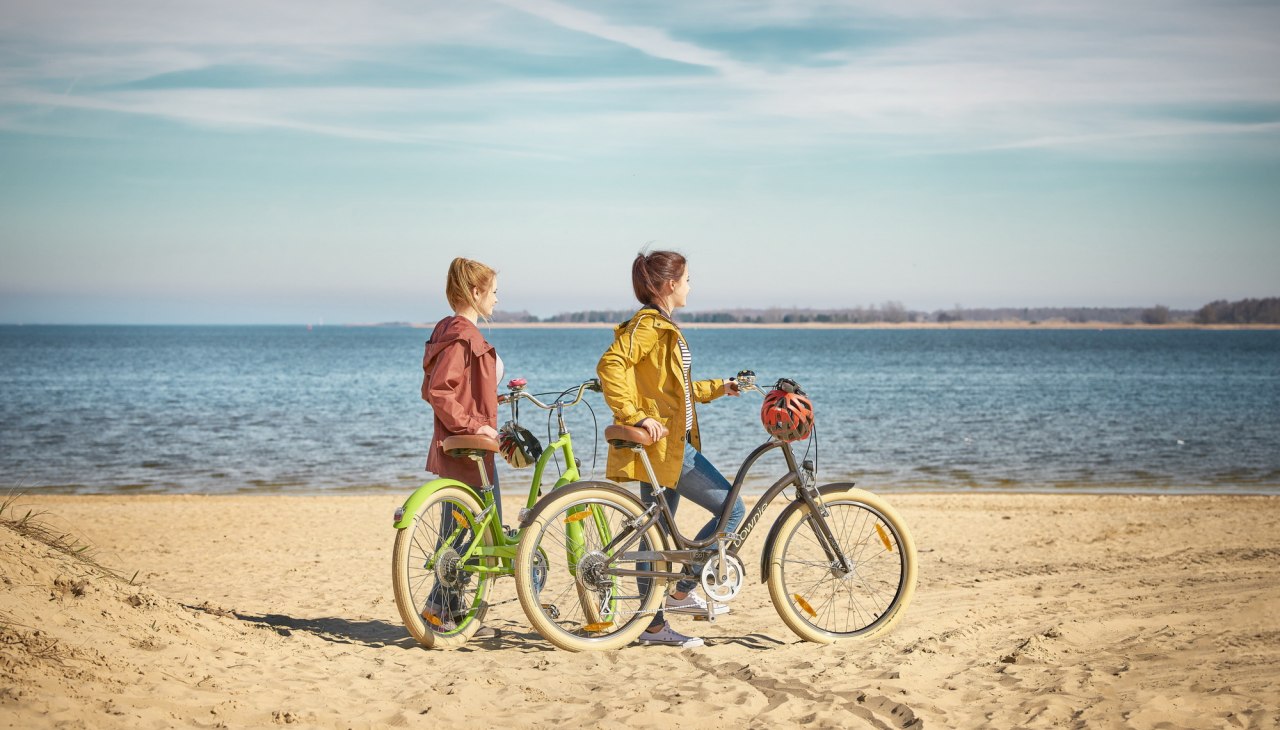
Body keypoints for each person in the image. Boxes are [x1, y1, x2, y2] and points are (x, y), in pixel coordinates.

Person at [597, 250, 746, 648]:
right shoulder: (650, 326)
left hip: (668, 448)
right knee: (734, 511)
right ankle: (680, 593)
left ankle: (652, 624)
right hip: (669, 450)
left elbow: (674, 394)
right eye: (686, 279)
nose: (690, 285)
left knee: (656, 535)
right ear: (668, 285)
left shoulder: (661, 326)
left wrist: (720, 387)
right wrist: (634, 415)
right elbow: (610, 365)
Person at [420, 257, 503, 629]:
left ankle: (448, 609)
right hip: (469, 448)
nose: (497, 300)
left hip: (470, 445)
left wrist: (493, 402)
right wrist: (475, 425)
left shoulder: (454, 331)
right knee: (472, 533)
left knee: (463, 532)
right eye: (494, 292)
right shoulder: (460, 334)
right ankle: (439, 609)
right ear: (475, 292)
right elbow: (439, 390)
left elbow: (461, 389)